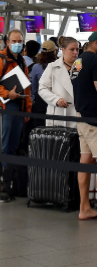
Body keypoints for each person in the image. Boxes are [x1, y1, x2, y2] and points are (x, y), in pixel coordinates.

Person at [0, 29, 32, 189]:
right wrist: (7, 94)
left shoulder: (22, 61)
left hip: (17, 107)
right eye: (14, 41)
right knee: (0, 144)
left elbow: (26, 88)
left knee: (12, 145)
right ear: (8, 42)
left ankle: (7, 176)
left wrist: (27, 109)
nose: (17, 44)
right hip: (2, 106)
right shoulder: (0, 60)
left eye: (20, 41)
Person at [71, 32, 97, 220]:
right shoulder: (95, 61)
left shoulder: (77, 62)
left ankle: (84, 208)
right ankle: (84, 209)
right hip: (94, 120)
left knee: (85, 161)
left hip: (81, 117)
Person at [38, 37, 78, 128]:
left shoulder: (81, 66)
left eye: (77, 49)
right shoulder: (52, 67)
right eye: (72, 49)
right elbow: (42, 88)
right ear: (63, 50)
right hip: (59, 114)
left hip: (77, 114)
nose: (75, 52)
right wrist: (56, 100)